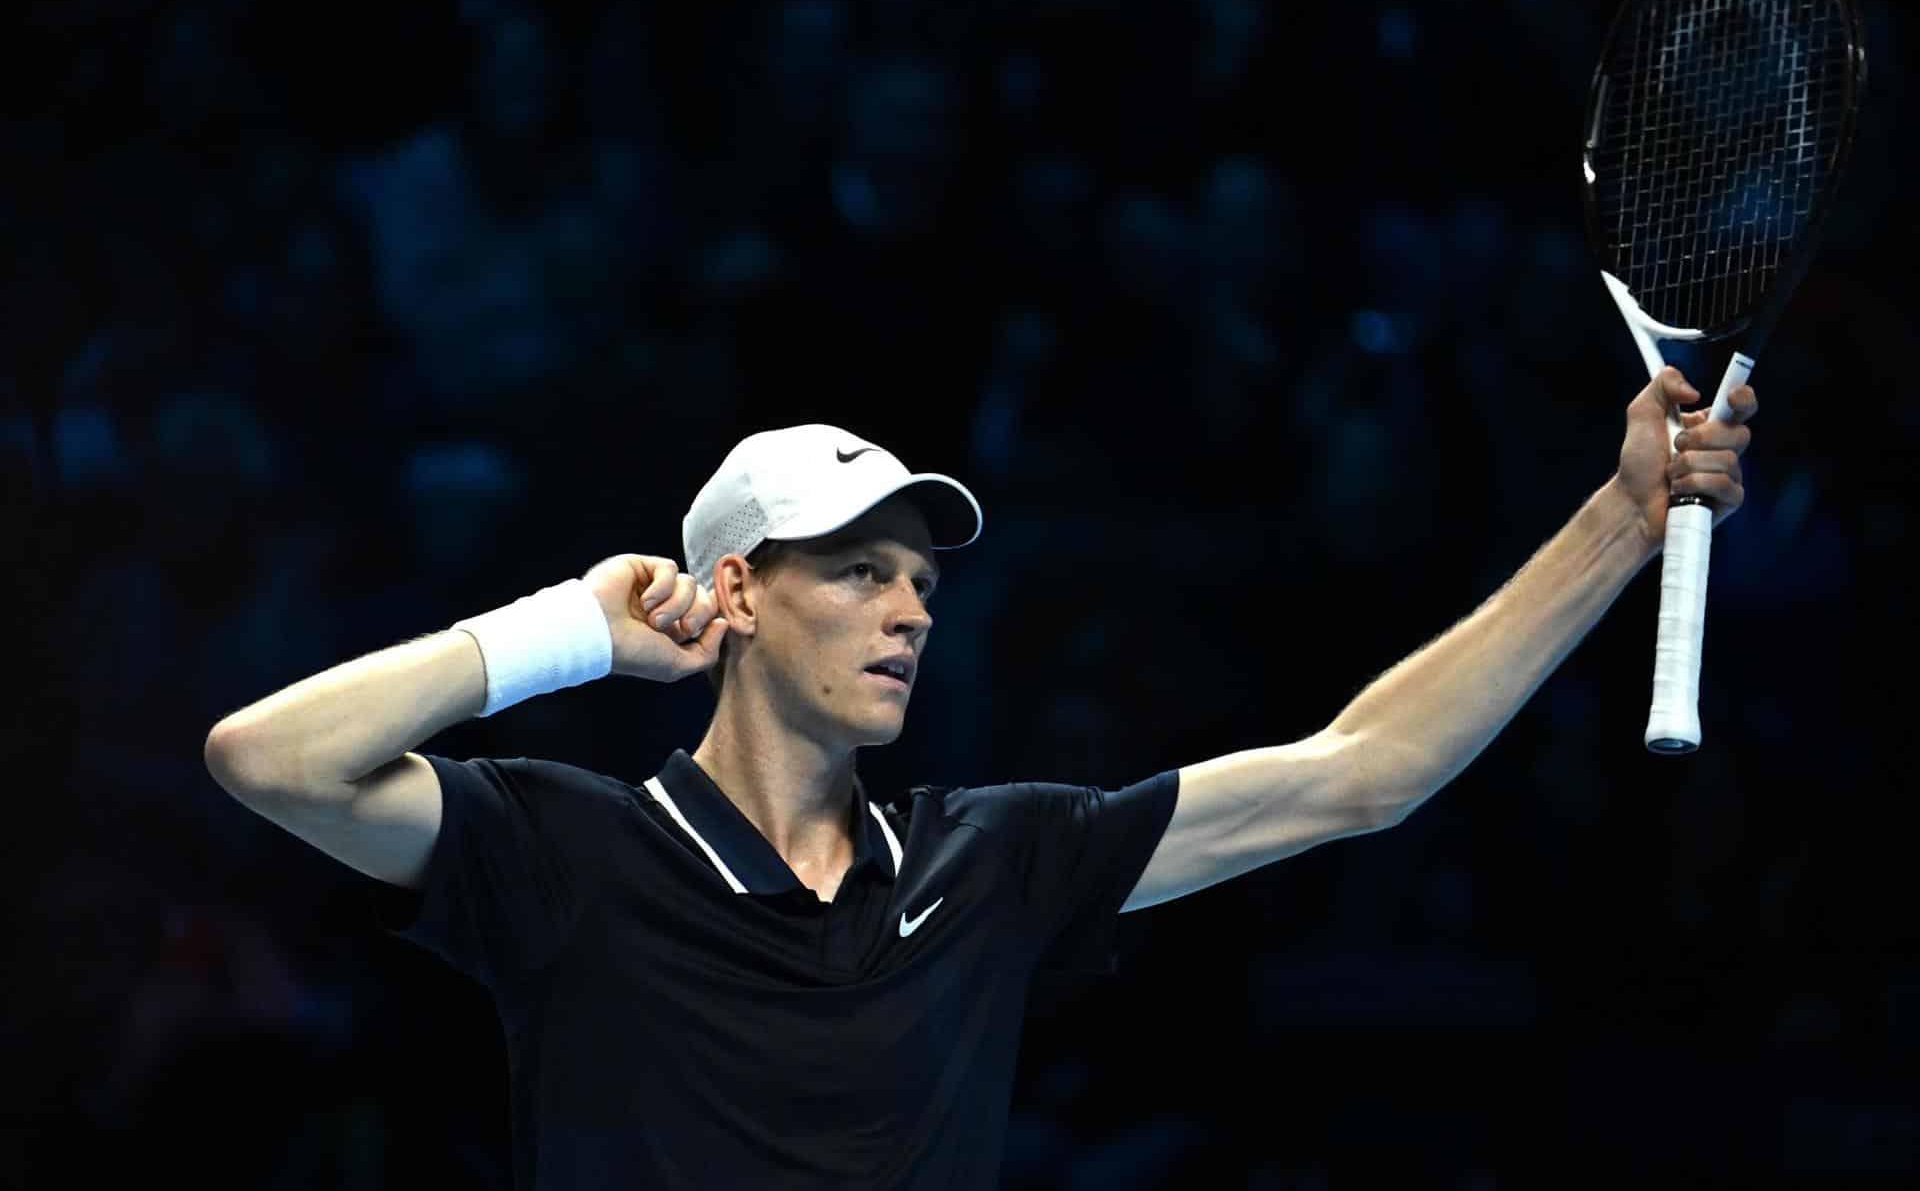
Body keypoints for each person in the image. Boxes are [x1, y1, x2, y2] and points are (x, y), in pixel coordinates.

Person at [205, 368, 1756, 1189]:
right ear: (734, 593)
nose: (910, 608)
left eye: (924, 584)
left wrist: (1622, 520)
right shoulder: (563, 849)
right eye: (860, 570)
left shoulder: (988, 860)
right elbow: (266, 756)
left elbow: (1367, 771)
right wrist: (562, 633)